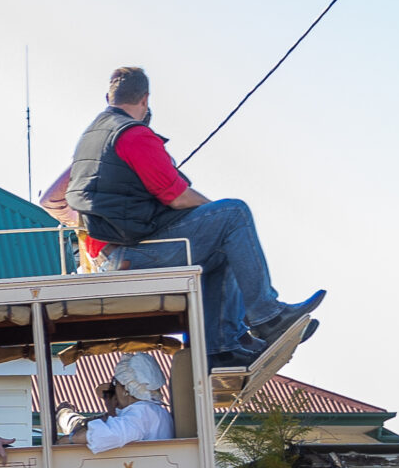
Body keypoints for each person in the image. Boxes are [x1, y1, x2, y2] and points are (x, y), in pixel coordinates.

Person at [55, 67, 324, 369]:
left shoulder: (90, 138)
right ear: (145, 99)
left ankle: (220, 349)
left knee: (221, 247)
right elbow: (177, 196)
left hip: (111, 252)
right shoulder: (133, 135)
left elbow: (53, 198)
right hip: (130, 254)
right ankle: (268, 317)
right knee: (234, 214)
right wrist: (218, 215)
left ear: (108, 97)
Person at [63, 354, 176, 454]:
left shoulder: (141, 411)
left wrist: (71, 439)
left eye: (115, 383)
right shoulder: (156, 410)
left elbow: (110, 434)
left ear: (125, 389)